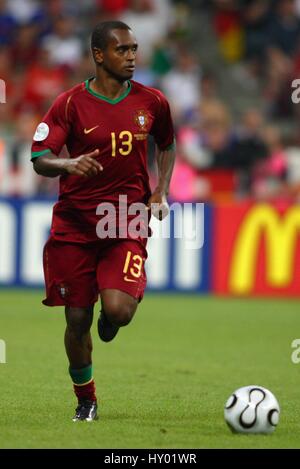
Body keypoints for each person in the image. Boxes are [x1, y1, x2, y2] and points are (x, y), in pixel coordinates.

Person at [31, 21, 175, 422]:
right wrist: (68, 162)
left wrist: (160, 190)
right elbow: (39, 157)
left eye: (134, 49)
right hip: (75, 226)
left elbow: (167, 142)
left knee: (119, 311)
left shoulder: (153, 102)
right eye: (122, 50)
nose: (132, 56)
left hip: (124, 221)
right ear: (99, 55)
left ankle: (110, 317)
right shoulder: (69, 104)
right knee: (76, 319)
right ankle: (86, 399)